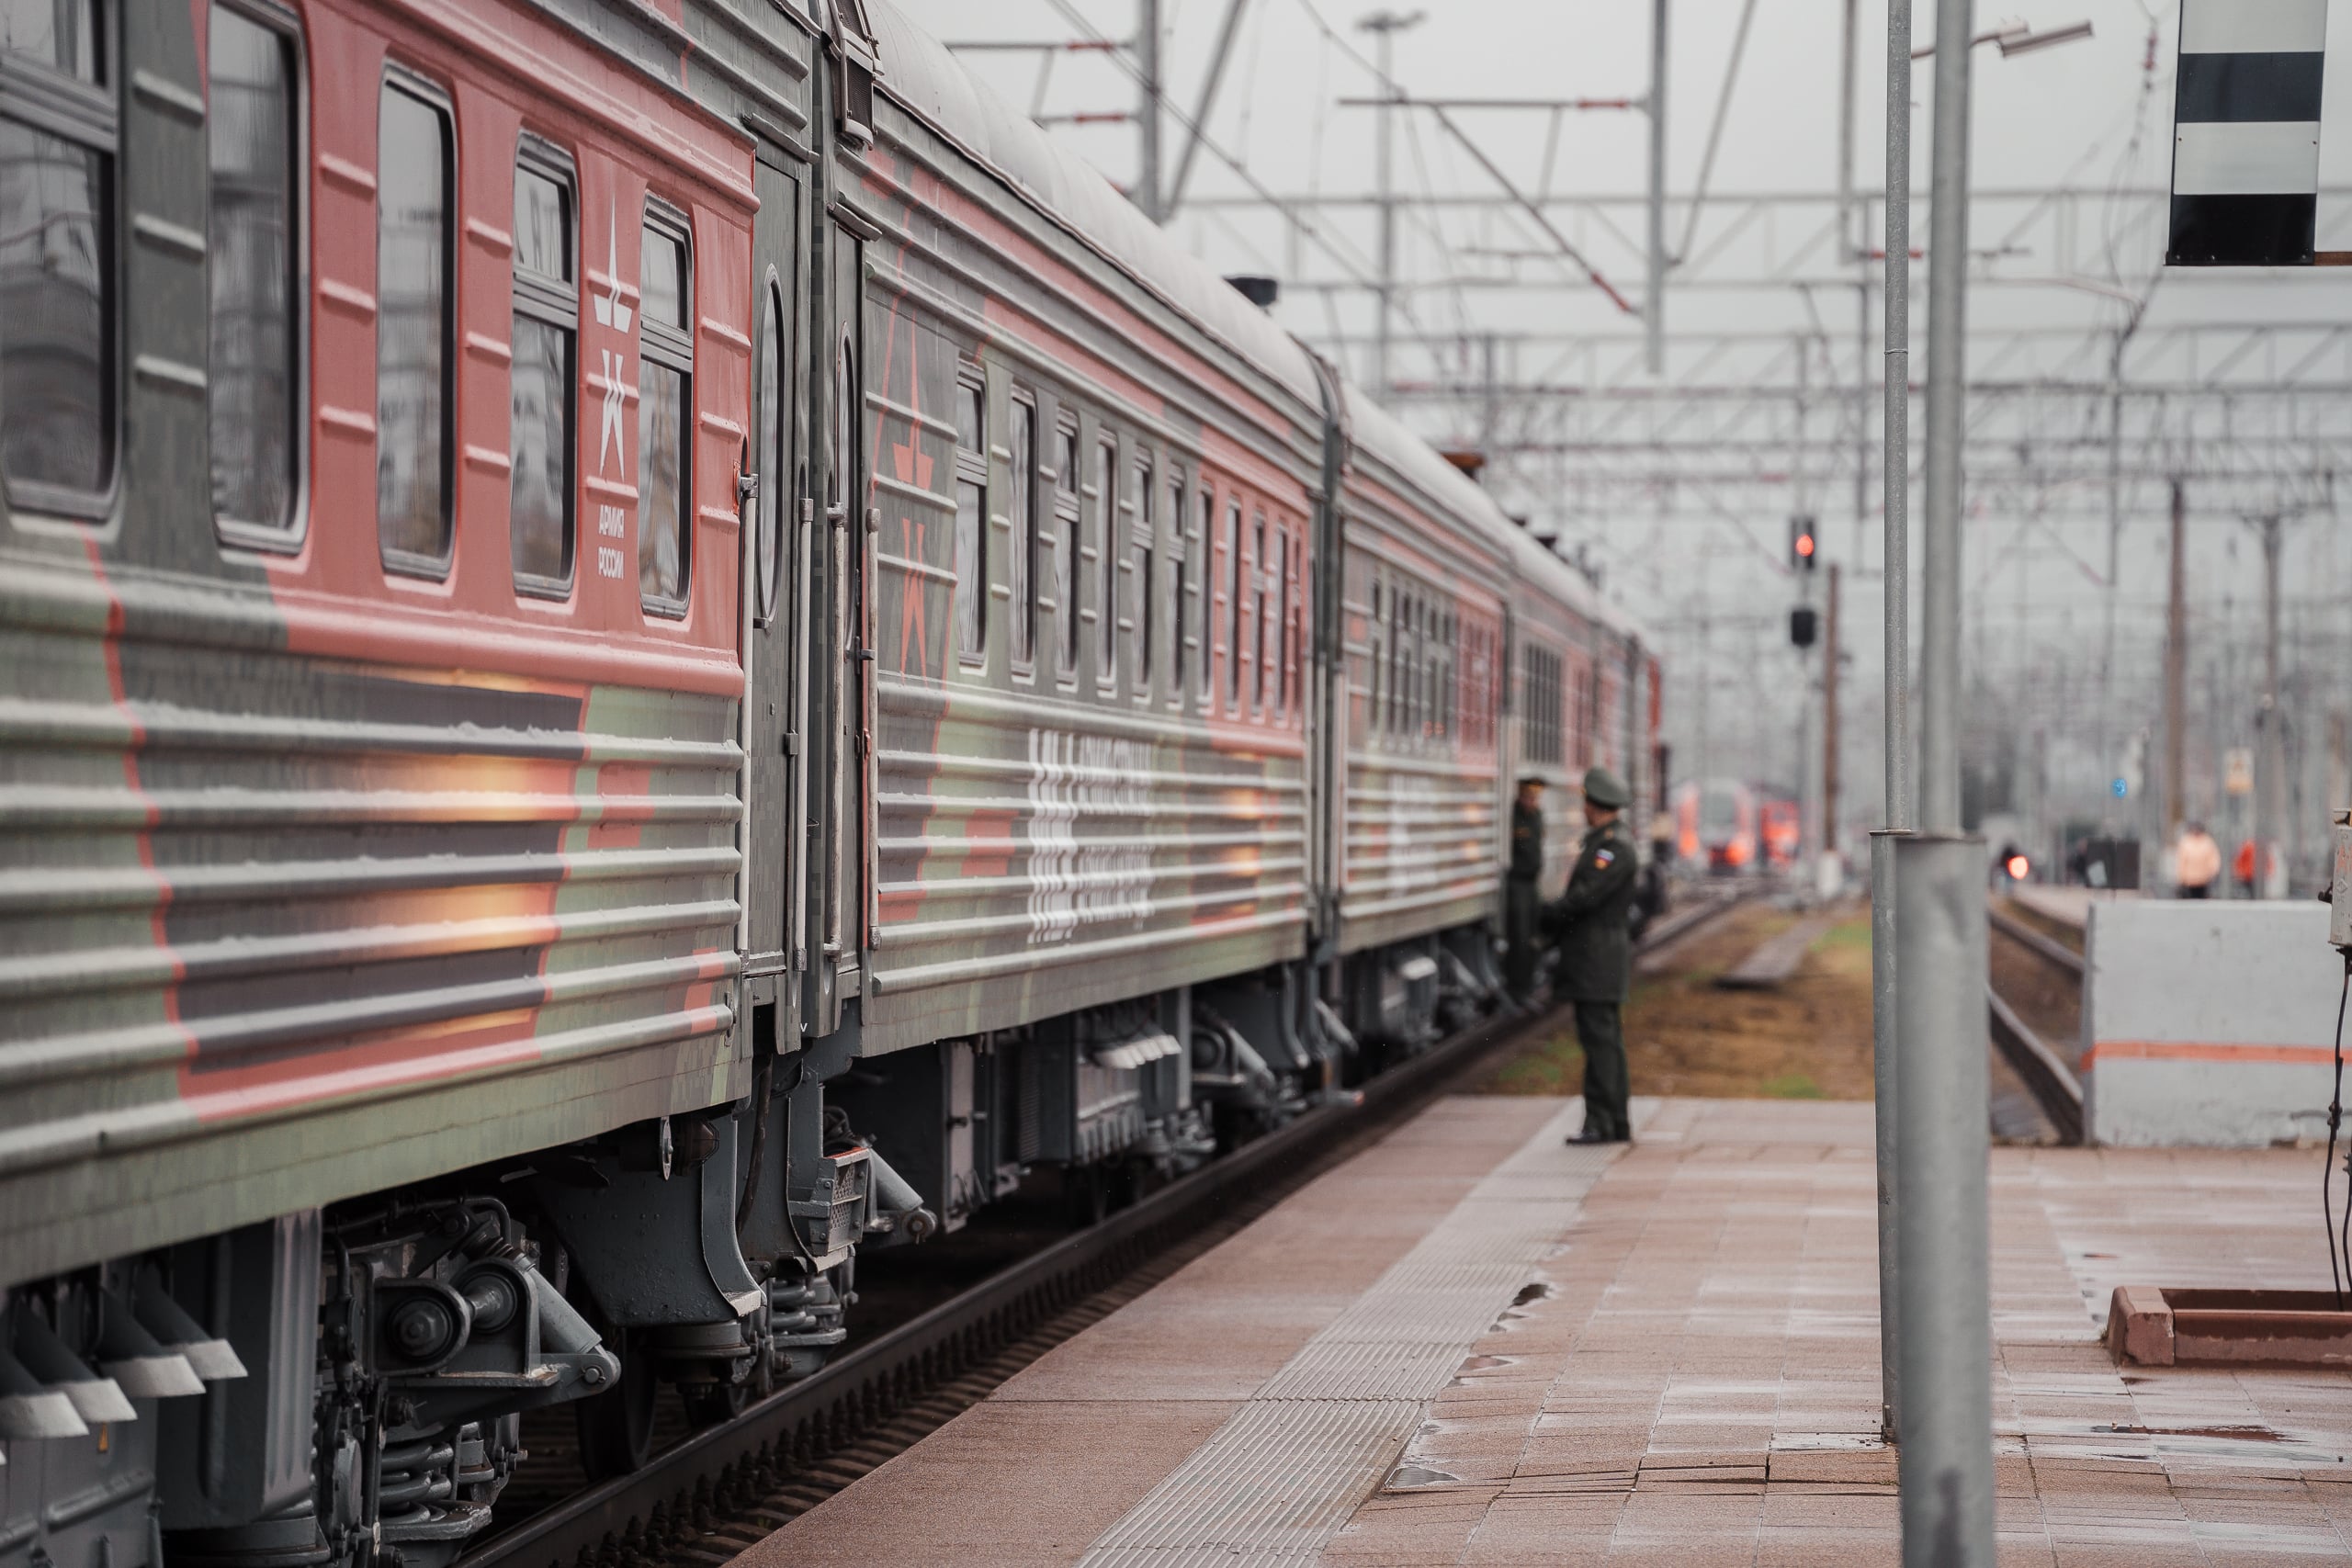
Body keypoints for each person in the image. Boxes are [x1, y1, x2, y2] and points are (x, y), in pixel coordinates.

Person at [1548, 765, 1641, 1145]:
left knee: (1600, 1043)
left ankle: (1602, 1123)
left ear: (1595, 804)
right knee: (1605, 1042)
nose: (1583, 809)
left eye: (1586, 802)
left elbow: (1584, 898)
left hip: (1597, 959)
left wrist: (1548, 913)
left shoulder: (1613, 847)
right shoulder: (1609, 841)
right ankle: (1613, 1121)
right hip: (1598, 958)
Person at [1502, 776, 1545, 1003]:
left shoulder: (1537, 816)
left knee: (1532, 937)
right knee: (1518, 938)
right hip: (1517, 883)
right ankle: (1517, 988)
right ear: (1521, 796)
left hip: (1532, 884)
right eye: (1528, 796)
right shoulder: (1514, 816)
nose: (1532, 801)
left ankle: (1528, 986)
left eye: (1535, 797)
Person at [2175, 821, 2220, 899]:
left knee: (2202, 900)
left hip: (2204, 879)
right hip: (2189, 879)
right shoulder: (2186, 842)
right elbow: (2182, 860)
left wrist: (2212, 872)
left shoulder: (2207, 842)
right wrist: (2181, 876)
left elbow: (2213, 859)